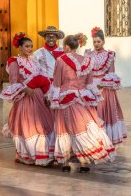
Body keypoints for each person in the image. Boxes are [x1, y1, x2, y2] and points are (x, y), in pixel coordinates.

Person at [49, 33, 116, 173]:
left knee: (66, 130)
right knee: (83, 128)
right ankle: (84, 163)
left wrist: (54, 99)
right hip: (83, 99)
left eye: (64, 45)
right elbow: (90, 83)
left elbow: (56, 83)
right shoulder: (87, 60)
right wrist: (96, 95)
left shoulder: (61, 60)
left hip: (66, 99)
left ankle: (66, 162)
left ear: (67, 46)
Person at [0, 32, 55, 166]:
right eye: (27, 46)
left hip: (39, 96)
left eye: (31, 46)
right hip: (26, 97)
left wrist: (47, 94)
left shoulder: (34, 59)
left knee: (43, 123)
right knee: (30, 126)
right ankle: (30, 154)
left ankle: (44, 153)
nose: (30, 49)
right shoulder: (14, 61)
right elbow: (14, 81)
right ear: (20, 48)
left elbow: (41, 75)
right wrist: (25, 89)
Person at [85, 27, 127, 147]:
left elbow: (111, 73)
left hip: (104, 87)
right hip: (92, 87)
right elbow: (86, 71)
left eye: (98, 42)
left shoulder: (109, 55)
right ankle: (94, 138)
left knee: (103, 112)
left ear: (103, 42)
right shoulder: (89, 54)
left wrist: (102, 84)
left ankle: (106, 138)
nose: (96, 44)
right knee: (92, 113)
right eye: (94, 42)